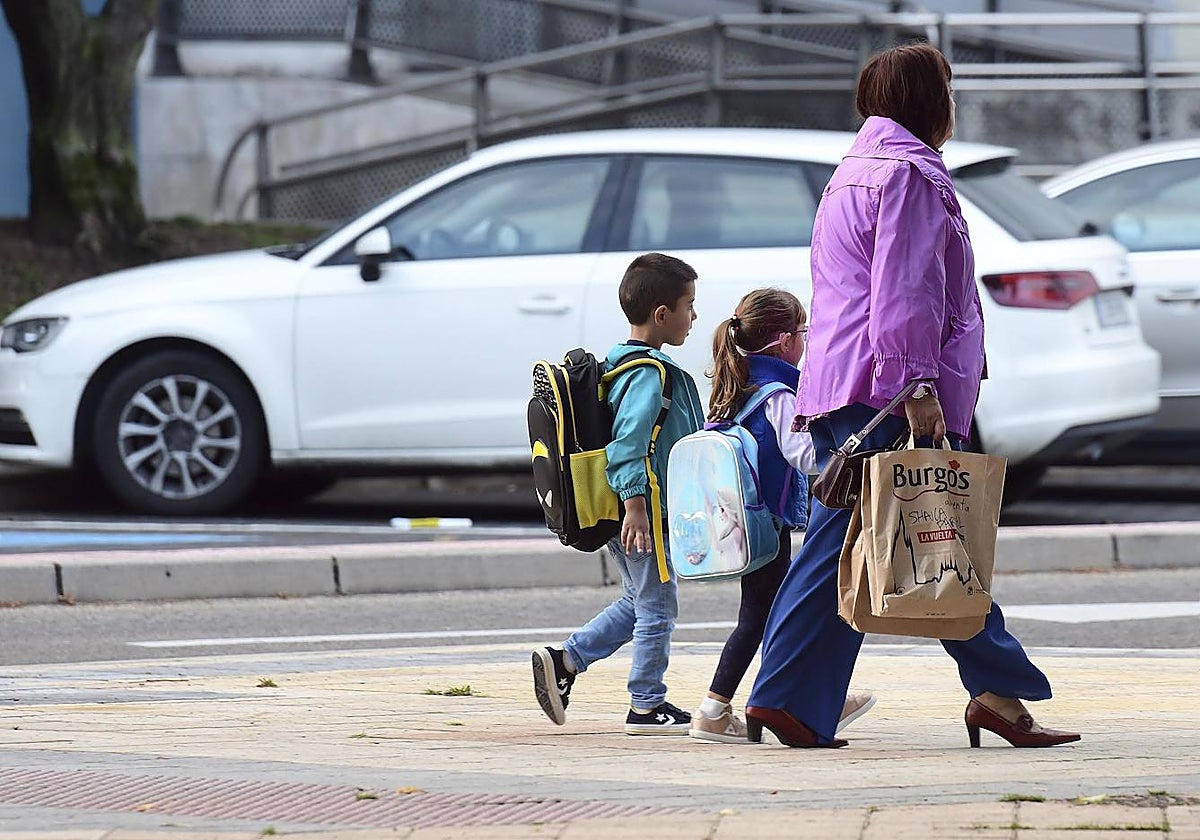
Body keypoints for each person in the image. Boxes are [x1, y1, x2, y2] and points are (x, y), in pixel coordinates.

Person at [744, 43, 1081, 749]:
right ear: (931, 101)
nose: (954, 104)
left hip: (846, 381)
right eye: (949, 90)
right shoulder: (908, 175)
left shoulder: (854, 170)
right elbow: (905, 292)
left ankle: (788, 700)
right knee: (940, 533)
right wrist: (918, 385)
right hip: (889, 390)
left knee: (858, 544)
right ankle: (997, 694)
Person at [688, 288, 877, 745]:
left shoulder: (737, 382)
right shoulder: (777, 394)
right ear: (781, 340)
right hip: (765, 525)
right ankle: (725, 708)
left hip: (741, 522)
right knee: (769, 614)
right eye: (802, 333)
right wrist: (841, 450)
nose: (805, 342)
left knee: (768, 611)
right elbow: (802, 455)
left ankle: (796, 696)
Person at [532, 252, 707, 735]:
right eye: (690, 305)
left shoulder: (618, 364)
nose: (694, 317)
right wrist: (635, 507)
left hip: (626, 507)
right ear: (661, 314)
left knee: (639, 600)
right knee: (658, 607)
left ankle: (565, 661)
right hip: (641, 510)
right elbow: (628, 446)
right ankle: (647, 705)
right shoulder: (647, 375)